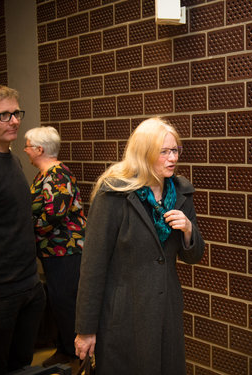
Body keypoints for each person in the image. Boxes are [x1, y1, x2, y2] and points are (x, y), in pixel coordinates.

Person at [74, 117, 205, 374]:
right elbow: (93, 266)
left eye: (176, 150)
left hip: (165, 311)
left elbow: (193, 256)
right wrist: (86, 329)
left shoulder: (180, 193)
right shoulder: (113, 194)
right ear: (144, 153)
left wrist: (188, 230)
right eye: (164, 151)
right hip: (123, 315)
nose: (173, 158)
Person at [0, 84, 46, 373]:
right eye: (3, 115)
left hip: (28, 287)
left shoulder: (12, 159)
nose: (14, 120)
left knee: (22, 366)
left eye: (16, 113)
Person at [24, 126, 86, 367]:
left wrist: (24, 231)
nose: (25, 150)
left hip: (67, 251)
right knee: (58, 302)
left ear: (39, 149)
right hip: (53, 252)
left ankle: (74, 357)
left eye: (28, 146)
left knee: (65, 301)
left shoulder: (58, 175)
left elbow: (53, 216)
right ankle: (64, 350)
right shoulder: (43, 174)